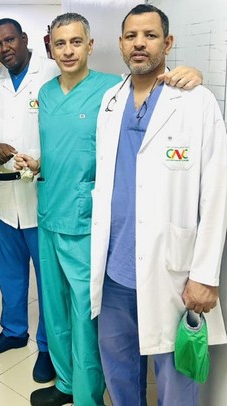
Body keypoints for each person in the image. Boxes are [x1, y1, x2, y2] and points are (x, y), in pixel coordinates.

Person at [14, 12, 203, 406]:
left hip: (86, 220)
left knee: (86, 316)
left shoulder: (110, 90)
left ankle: (87, 395)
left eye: (75, 42)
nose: (68, 51)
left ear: (91, 45)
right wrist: (39, 163)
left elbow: (154, 83)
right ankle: (65, 383)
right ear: (50, 48)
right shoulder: (45, 93)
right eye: (60, 43)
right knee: (54, 308)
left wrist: (191, 72)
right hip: (48, 211)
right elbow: (68, 148)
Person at [90, 4, 227, 405]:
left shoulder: (197, 101)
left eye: (150, 35)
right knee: (118, 365)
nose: (139, 44)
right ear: (120, 43)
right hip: (114, 266)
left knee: (176, 373)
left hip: (173, 269)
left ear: (167, 43)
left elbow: (216, 193)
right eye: (131, 36)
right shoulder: (111, 100)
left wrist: (205, 274)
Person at [0, 18, 59, 384]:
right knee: (9, 272)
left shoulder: (51, 72)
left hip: (41, 195)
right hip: (7, 198)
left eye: (9, 40)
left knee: (48, 280)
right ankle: (13, 331)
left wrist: (37, 159)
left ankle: (48, 346)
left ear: (24, 39)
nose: (3, 48)